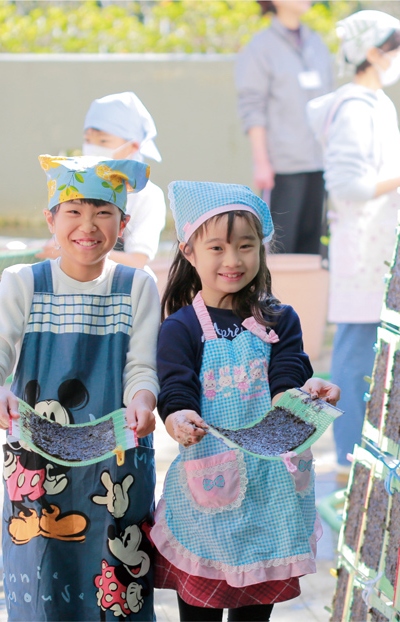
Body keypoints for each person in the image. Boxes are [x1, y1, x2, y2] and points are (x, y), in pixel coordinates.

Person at [0, 155, 160, 620]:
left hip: (117, 464)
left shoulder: (137, 285)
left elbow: (142, 366)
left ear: (124, 222)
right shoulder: (23, 283)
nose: (87, 226)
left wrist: (142, 400)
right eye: (73, 211)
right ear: (51, 218)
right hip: (37, 463)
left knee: (117, 581)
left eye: (103, 213)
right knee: (41, 581)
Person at [149, 181, 340, 621]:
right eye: (216, 247)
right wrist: (177, 415)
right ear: (189, 252)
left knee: (255, 613)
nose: (233, 260)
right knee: (200, 608)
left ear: (261, 250)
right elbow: (175, 385)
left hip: (271, 493)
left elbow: (288, 375)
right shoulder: (181, 327)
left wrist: (305, 394)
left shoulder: (280, 318)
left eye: (245, 246)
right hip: (209, 488)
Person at [306, 10, 400, 476]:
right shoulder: (354, 108)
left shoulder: (374, 102)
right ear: (372, 53)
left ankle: (361, 455)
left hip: (375, 243)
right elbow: (348, 184)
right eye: (395, 48)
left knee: (367, 348)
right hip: (362, 245)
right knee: (354, 352)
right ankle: (349, 458)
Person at [235, 0, 333, 254]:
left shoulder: (317, 43)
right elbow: (252, 107)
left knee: (313, 249)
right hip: (283, 166)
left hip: (320, 163)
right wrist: (261, 161)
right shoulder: (260, 47)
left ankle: (305, 296)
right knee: (279, 250)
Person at [38, 91, 166, 268]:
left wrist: (75, 251)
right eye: (88, 140)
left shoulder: (147, 196)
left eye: (103, 141)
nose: (93, 147)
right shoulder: (78, 182)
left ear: (133, 146)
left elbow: (137, 262)